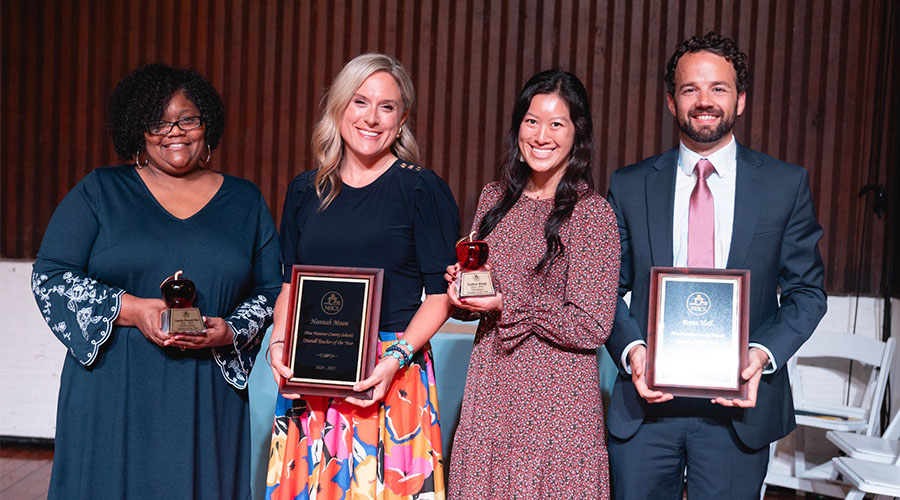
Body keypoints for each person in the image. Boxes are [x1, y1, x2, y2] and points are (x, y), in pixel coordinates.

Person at [31, 63, 282, 500]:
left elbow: (271, 290)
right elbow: (50, 277)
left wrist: (232, 330)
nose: (175, 132)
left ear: (207, 125)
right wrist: (134, 309)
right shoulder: (100, 191)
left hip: (207, 393)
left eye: (188, 119)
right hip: (113, 388)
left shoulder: (245, 200)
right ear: (137, 131)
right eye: (158, 122)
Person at [604, 32, 827, 499]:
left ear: (740, 100)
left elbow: (807, 293)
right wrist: (634, 352)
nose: (705, 101)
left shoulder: (785, 186)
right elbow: (604, 289)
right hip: (646, 409)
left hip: (737, 412)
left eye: (719, 88)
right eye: (690, 89)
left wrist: (761, 355)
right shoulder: (629, 186)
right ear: (671, 101)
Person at [265, 53, 460, 500]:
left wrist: (394, 360)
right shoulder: (304, 190)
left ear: (402, 117)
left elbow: (440, 296)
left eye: (386, 107)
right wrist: (278, 345)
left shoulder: (421, 189)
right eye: (360, 102)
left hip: (392, 376)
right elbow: (289, 287)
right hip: (311, 375)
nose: (371, 118)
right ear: (338, 108)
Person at [445, 70, 620, 499]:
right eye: (532, 121)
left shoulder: (592, 214)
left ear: (577, 134)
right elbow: (484, 295)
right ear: (518, 127)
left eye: (557, 123)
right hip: (490, 392)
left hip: (556, 409)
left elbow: (593, 325)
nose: (542, 135)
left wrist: (508, 304)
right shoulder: (492, 200)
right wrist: (463, 294)